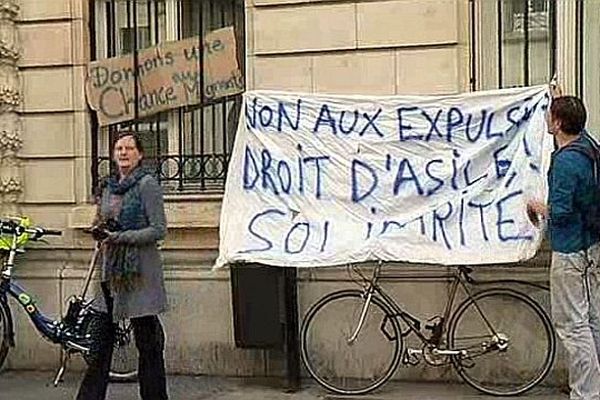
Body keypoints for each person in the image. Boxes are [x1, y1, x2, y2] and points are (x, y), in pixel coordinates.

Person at [76, 132, 169, 400]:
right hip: (110, 272)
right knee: (100, 342)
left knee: (147, 342)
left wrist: (122, 236)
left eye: (129, 148)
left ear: (140, 154)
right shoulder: (108, 186)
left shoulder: (147, 184)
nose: (123, 153)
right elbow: (101, 218)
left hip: (138, 273)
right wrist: (99, 229)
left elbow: (158, 230)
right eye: (119, 148)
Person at [527, 94, 600, 400]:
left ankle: (585, 392)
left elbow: (563, 210)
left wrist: (537, 207)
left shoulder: (568, 161)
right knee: (592, 319)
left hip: (571, 250)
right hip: (591, 247)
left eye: (549, 115)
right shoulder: (590, 148)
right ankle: (593, 386)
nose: (545, 119)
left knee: (572, 325)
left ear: (557, 124)